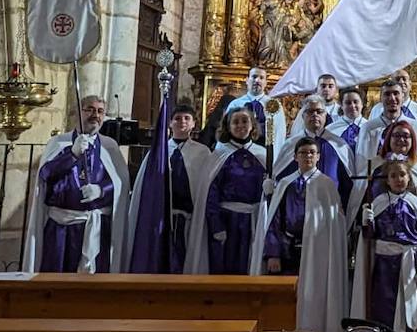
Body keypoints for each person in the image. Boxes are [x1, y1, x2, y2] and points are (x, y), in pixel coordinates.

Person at [253, 137, 349, 332]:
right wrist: (273, 254)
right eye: (303, 152)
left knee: (313, 298)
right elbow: (275, 221)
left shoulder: (327, 186)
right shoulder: (285, 184)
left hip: (317, 253)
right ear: (295, 156)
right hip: (288, 252)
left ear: (318, 157)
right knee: (287, 299)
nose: (308, 156)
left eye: (312, 153)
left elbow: (334, 225)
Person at [24, 95, 131, 274]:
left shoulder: (109, 146)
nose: (95, 115)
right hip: (62, 230)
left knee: (94, 286)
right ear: (78, 112)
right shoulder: (59, 143)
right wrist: (72, 154)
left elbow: (121, 184)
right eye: (89, 109)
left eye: (100, 111)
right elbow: (45, 175)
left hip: (97, 229)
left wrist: (101, 190)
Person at [352, 158, 417, 332]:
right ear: (387, 180)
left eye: (402, 175)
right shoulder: (378, 203)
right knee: (382, 304)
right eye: (394, 175)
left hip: (408, 263)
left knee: (408, 306)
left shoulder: (416, 204)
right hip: (383, 266)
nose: (398, 179)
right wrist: (366, 223)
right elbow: (369, 238)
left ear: (409, 178)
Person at [126, 103, 214, 274]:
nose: (182, 122)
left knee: (185, 260)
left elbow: (205, 186)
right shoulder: (158, 152)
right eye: (177, 118)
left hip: (188, 219)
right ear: (170, 123)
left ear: (194, 123)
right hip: (162, 217)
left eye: (187, 118)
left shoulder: (202, 153)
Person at [185, 107, 269, 275]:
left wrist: (270, 187)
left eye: (245, 121)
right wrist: (216, 226)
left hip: (255, 221)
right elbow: (210, 193)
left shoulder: (263, 155)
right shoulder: (219, 154)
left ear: (252, 125)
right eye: (235, 122)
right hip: (227, 222)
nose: (240, 125)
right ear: (228, 127)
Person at [278, 96, 360, 228]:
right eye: (310, 112)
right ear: (303, 116)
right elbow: (281, 181)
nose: (315, 115)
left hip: (330, 212)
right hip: (298, 214)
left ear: (325, 115)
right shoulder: (290, 146)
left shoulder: (339, 145)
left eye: (319, 111)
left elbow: (348, 184)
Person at [368, 118, 417, 225]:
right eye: (396, 135)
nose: (401, 140)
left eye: (406, 136)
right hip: (381, 225)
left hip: (412, 227)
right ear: (389, 139)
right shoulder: (375, 164)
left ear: (413, 140)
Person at [219, 66, 286, 159]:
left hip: (265, 155)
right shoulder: (236, 104)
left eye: (261, 78)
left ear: (266, 83)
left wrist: (275, 159)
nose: (257, 80)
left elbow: (278, 133)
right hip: (237, 153)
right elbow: (225, 131)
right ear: (247, 80)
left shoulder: (273, 105)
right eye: (254, 77)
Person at [359, 79, 417, 163]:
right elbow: (361, 164)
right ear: (380, 98)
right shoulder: (368, 128)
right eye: (387, 94)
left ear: (403, 96)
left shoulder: (415, 127)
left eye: (396, 93)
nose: (392, 98)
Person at [324, 87, 366, 160]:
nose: (352, 106)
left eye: (355, 102)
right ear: (341, 105)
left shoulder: (371, 128)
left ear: (362, 104)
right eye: (348, 103)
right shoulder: (330, 130)